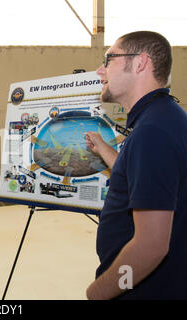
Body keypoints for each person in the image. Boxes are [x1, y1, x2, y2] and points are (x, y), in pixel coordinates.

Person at [85, 31, 187, 299]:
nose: (100, 70)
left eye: (109, 59)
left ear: (140, 63)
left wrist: (99, 293)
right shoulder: (164, 117)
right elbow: (146, 180)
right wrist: (104, 150)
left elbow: (151, 246)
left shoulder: (152, 132)